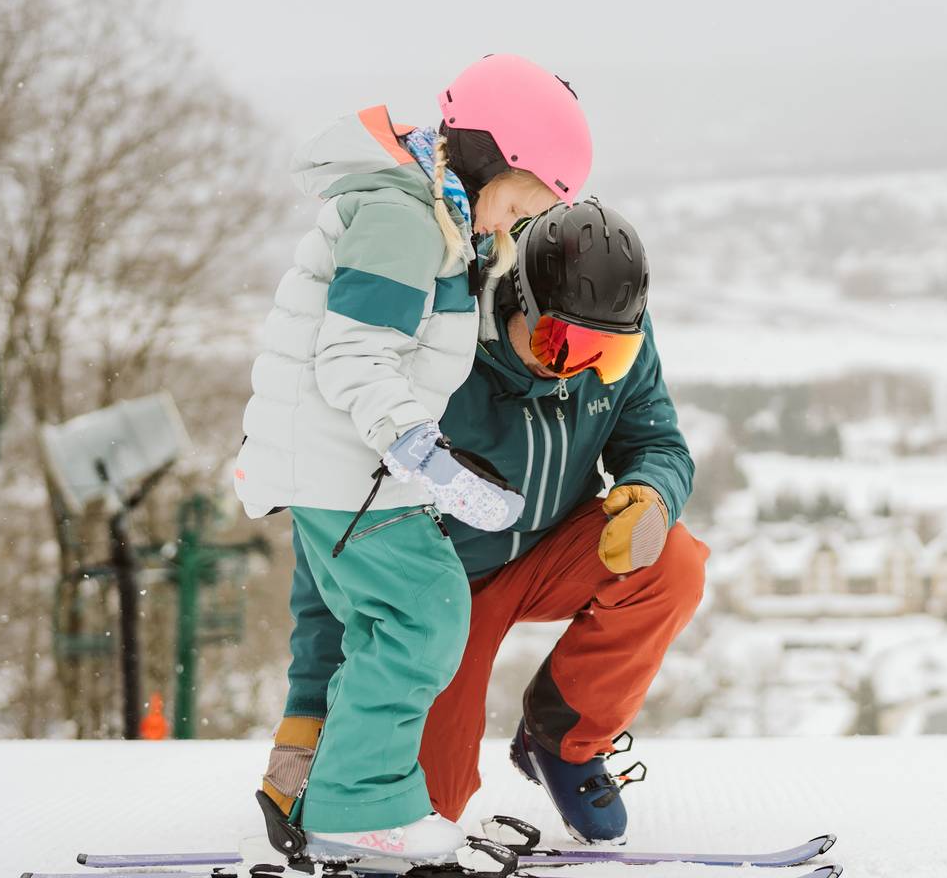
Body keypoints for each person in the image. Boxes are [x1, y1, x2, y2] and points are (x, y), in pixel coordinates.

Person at [234, 54, 592, 869]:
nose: (518, 223)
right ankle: (357, 809)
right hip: (345, 464)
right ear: (495, 153)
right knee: (423, 611)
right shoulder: (402, 219)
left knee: (378, 623)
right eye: (527, 199)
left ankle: (323, 788)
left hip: (342, 463)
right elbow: (355, 359)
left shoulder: (431, 210)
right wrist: (422, 454)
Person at [263, 199, 703, 847]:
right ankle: (347, 794)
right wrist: (306, 708)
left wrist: (650, 494)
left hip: (557, 549)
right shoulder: (436, 353)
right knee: (427, 809)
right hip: (443, 590)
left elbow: (658, 442)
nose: (582, 367)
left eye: (607, 354)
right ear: (514, 298)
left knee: (674, 563)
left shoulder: (610, 329)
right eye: (563, 343)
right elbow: (335, 536)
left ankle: (564, 740)